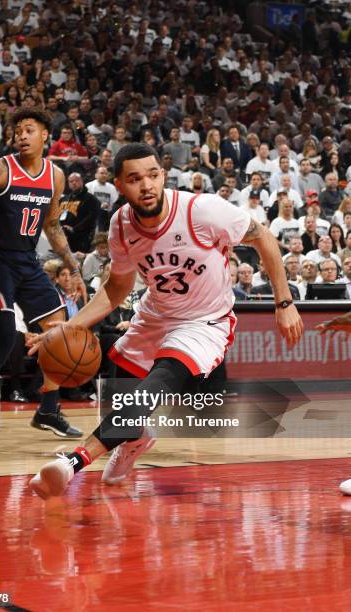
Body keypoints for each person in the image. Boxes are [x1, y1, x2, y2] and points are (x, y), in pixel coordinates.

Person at [27, 143, 303, 499]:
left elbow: (263, 236)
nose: (147, 185)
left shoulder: (202, 211)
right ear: (119, 186)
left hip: (204, 321)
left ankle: (72, 463)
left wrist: (284, 302)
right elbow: (116, 287)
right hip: (156, 314)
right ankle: (134, 440)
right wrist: (71, 326)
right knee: (122, 387)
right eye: (135, 179)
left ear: (163, 175)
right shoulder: (121, 226)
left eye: (153, 175)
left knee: (154, 386)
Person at [0, 108, 87, 452]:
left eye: (29, 130)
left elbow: (53, 225)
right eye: (17, 131)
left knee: (60, 333)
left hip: (28, 262)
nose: (21, 136)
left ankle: (48, 409)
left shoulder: (55, 177)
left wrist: (72, 266)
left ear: (46, 135)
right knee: (4, 337)